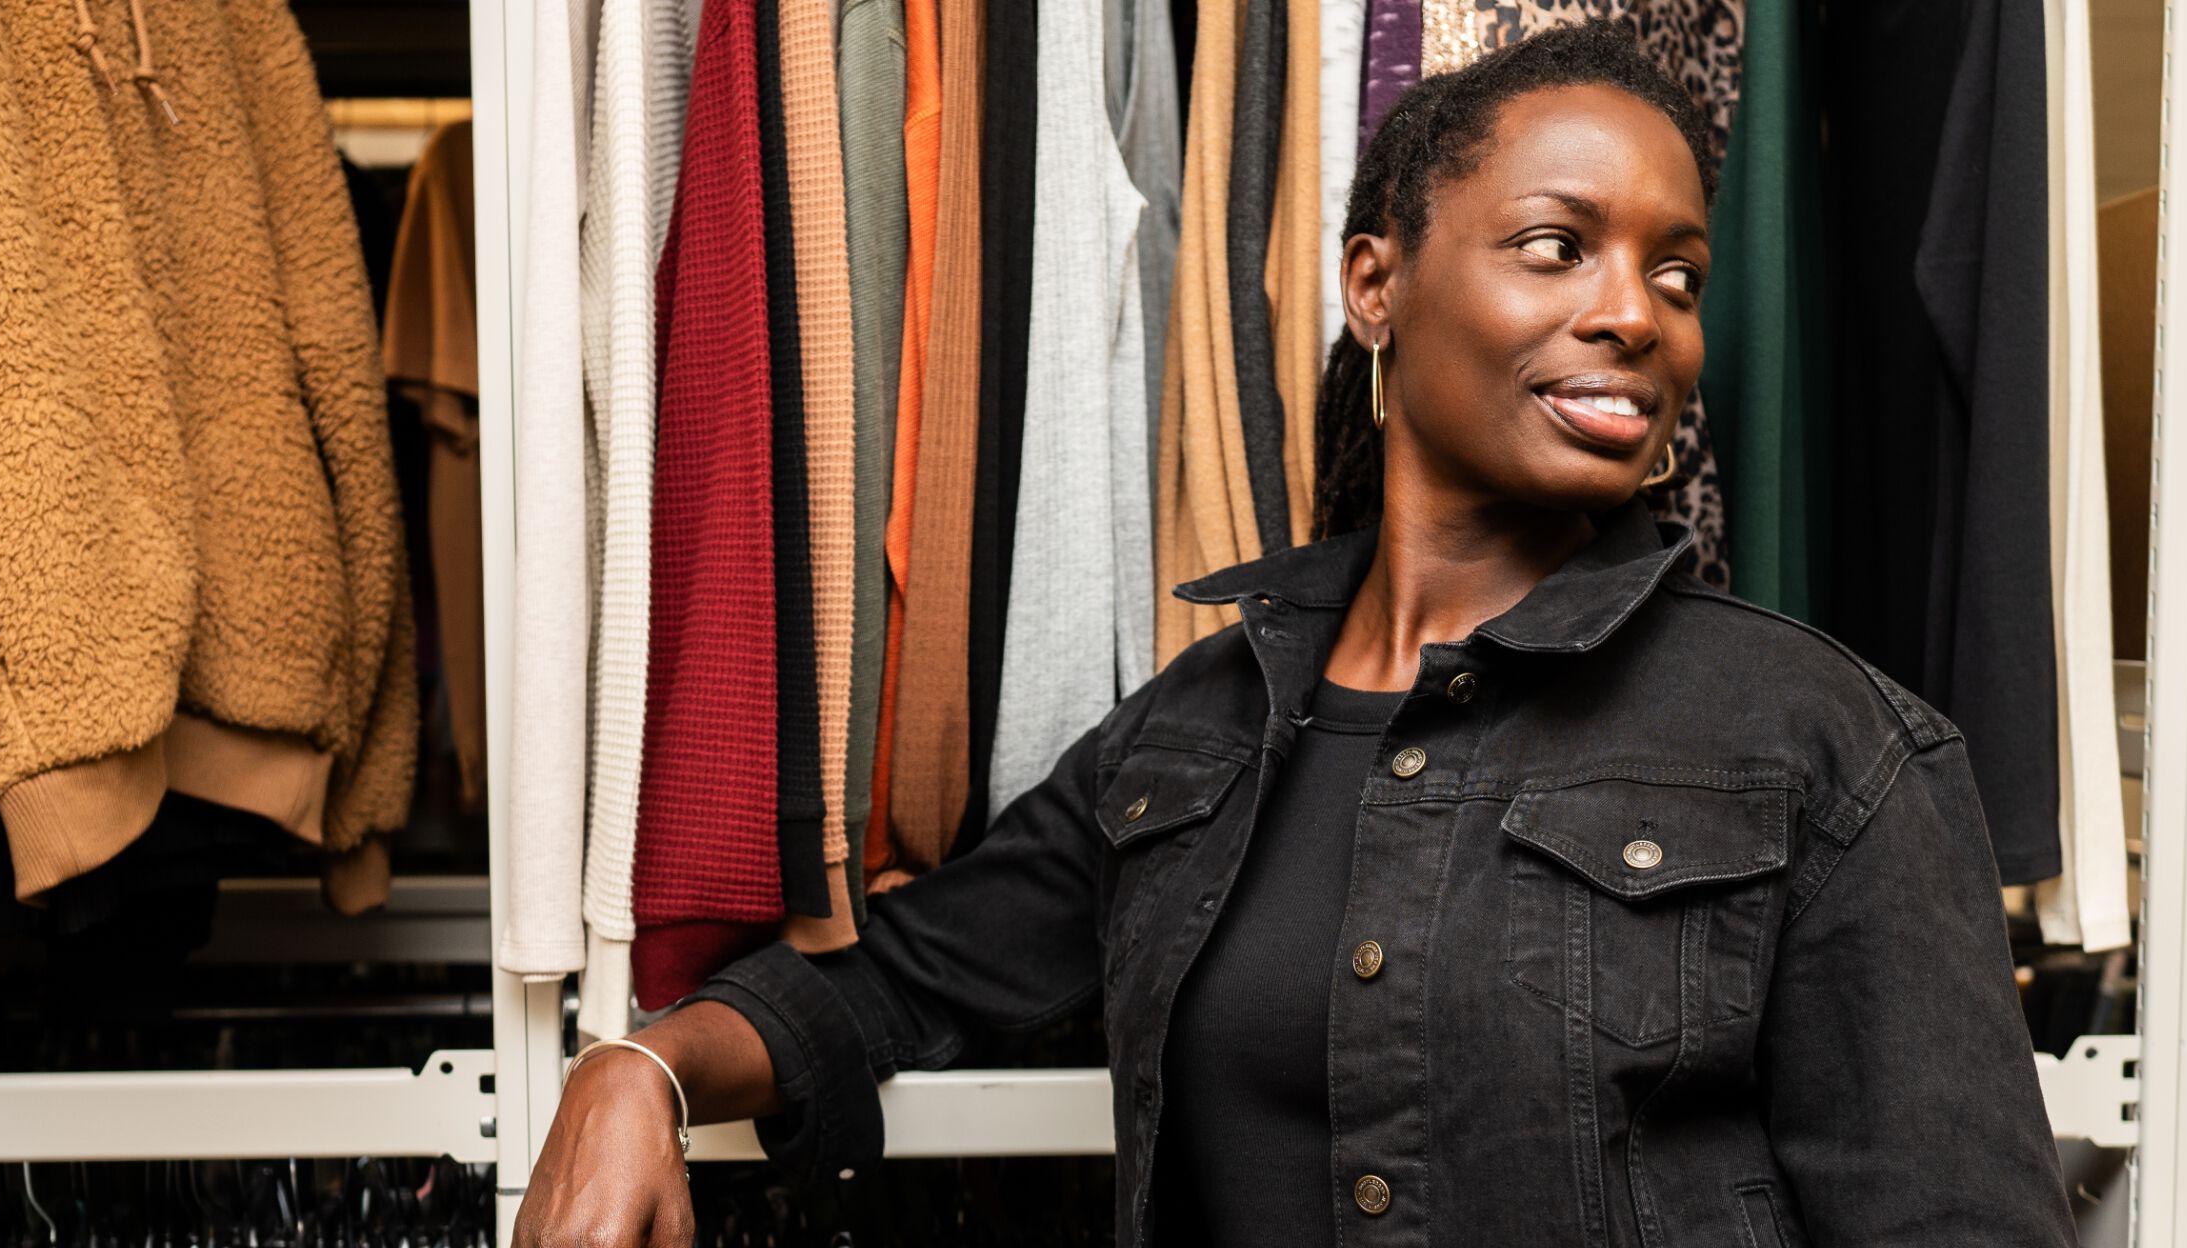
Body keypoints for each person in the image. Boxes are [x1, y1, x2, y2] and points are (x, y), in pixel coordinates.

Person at [518, 22, 2078, 1248]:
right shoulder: (1199, 730)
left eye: (1677, 274)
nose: (1638, 315)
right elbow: (894, 980)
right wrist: (636, 1070)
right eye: (1558, 246)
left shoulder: (1830, 753)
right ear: (1375, 284)